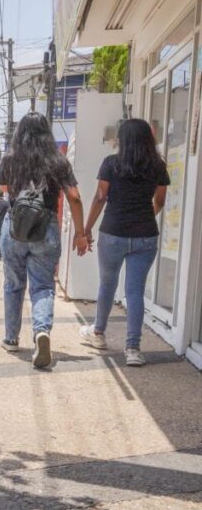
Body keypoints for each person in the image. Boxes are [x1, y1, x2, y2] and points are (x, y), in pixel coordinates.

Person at [0, 113, 88, 368]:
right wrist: (81, 234)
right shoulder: (57, 160)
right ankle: (41, 332)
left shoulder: (10, 158)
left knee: (13, 284)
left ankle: (11, 338)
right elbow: (75, 197)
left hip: (15, 226)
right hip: (46, 227)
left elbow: (5, 189)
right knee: (43, 287)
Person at [81, 119, 169, 367]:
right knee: (135, 292)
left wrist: (86, 230)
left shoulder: (111, 164)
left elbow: (100, 197)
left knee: (107, 285)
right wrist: (143, 218)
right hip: (145, 236)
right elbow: (160, 201)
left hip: (113, 233)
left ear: (123, 139)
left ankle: (98, 333)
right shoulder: (157, 167)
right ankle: (133, 349)